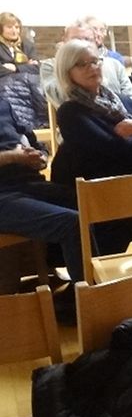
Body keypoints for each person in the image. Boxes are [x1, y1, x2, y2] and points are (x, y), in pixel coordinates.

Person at [50, 39, 132, 186]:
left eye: (95, 61)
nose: (92, 67)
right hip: (111, 184)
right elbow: (117, 148)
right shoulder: (70, 112)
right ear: (67, 72)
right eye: (81, 64)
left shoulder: (120, 99)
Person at [0, 94, 87, 282]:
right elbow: (14, 153)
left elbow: (32, 141)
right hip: (4, 195)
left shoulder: (3, 103)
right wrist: (13, 157)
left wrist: (39, 156)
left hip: (28, 183)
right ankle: (89, 294)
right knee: (72, 223)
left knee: (93, 204)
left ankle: (93, 281)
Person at [0, 11, 46, 129]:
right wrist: (26, 66)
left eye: (17, 27)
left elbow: (37, 68)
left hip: (29, 84)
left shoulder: (27, 44)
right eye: (9, 27)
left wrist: (15, 67)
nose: (14, 30)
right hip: (6, 85)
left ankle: (42, 121)